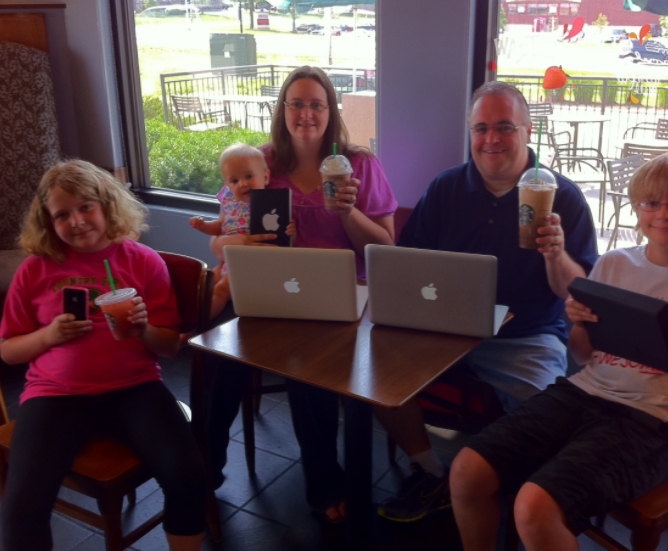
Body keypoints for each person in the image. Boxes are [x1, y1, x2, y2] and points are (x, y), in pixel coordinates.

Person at [449, 152, 668, 551]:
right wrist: (581, 323)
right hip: (583, 394)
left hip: (656, 421)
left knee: (533, 506)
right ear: (637, 206)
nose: (664, 213)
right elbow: (585, 355)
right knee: (467, 471)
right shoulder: (614, 264)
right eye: (651, 202)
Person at [374, 81, 598, 522]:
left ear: (528, 131)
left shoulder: (563, 197)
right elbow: (409, 261)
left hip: (526, 336)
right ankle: (432, 472)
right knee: (377, 377)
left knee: (545, 417)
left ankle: (516, 498)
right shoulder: (446, 188)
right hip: (445, 329)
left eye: (504, 127)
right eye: (481, 128)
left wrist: (555, 253)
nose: (491, 139)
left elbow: (575, 294)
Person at [204, 66, 397, 524]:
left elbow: (386, 247)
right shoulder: (261, 163)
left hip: (342, 295)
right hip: (268, 287)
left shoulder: (359, 164)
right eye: (296, 103)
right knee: (218, 356)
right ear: (283, 110)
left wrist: (348, 213)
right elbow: (219, 238)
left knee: (306, 369)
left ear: (331, 111)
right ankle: (203, 469)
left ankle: (324, 484)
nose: (306, 113)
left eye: (316, 104)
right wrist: (240, 242)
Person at [0, 160, 207, 551]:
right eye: (62, 214)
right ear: (48, 221)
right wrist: (49, 335)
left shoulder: (143, 261)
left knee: (187, 477)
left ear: (107, 205)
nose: (76, 222)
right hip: (55, 395)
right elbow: (8, 352)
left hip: (134, 388)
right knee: (21, 509)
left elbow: (169, 346)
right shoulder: (34, 270)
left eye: (85, 207)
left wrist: (142, 329)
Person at [190, 143, 296, 319]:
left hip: (252, 265)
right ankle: (189, 324)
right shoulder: (229, 204)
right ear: (227, 185)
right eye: (235, 181)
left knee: (221, 290)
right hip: (228, 263)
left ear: (266, 177)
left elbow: (285, 238)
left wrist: (292, 231)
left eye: (249, 176)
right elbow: (219, 227)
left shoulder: (272, 203)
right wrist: (202, 226)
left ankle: (193, 330)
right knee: (201, 285)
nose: (243, 184)